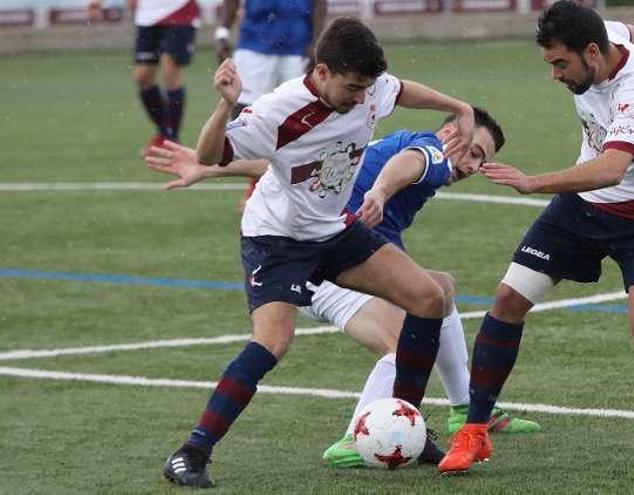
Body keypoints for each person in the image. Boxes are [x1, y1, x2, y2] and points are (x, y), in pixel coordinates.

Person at [160, 17, 476, 488]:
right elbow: (210, 154)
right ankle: (192, 451)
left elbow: (401, 89)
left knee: (429, 297)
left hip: (333, 229)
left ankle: (409, 425)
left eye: (366, 87)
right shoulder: (279, 110)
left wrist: (458, 107)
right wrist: (225, 105)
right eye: (351, 87)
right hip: (276, 240)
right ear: (323, 72)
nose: (360, 97)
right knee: (272, 342)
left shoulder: (368, 87)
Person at [145, 109, 541, 469]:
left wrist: (210, 169)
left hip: (340, 257)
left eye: (481, 160)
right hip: (326, 268)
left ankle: (465, 407)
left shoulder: (387, 144)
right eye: (472, 151)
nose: (473, 165)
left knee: (437, 289)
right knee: (400, 340)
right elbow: (407, 165)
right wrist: (381, 193)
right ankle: (357, 437)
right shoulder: (428, 151)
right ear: (450, 132)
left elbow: (290, 165)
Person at [438, 2, 634, 477]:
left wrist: (532, 182)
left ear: (593, 53)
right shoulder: (605, 37)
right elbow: (629, 29)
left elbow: (613, 168)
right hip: (583, 207)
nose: (555, 75)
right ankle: (473, 431)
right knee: (507, 300)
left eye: (561, 63)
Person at [87, 0, 200, 150]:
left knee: (169, 72)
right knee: (143, 77)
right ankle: (164, 133)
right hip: (147, 17)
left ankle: (172, 140)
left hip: (179, 13)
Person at [214, 0, 327, 118]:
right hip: (253, 45)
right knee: (244, 111)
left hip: (297, 48)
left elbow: (319, 3)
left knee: (300, 110)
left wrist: (317, 43)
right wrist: (222, 34)